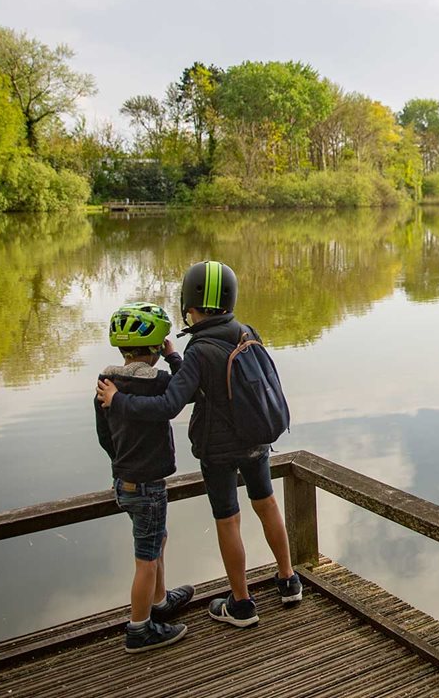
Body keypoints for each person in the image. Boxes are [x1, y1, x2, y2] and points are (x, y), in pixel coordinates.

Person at [97, 261, 301, 628]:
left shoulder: (199, 350)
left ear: (189, 304)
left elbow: (170, 404)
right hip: (257, 437)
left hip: (219, 450)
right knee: (267, 503)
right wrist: (176, 357)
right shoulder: (245, 331)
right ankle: (288, 581)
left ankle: (241, 604)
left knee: (229, 520)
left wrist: (119, 401)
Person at [95, 302, 194, 653]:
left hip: (124, 483)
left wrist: (123, 464)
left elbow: (105, 436)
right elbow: (187, 390)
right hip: (149, 486)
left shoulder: (106, 382)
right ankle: (139, 629)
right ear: (156, 347)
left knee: (156, 541)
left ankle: (160, 602)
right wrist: (174, 357)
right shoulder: (158, 383)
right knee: (146, 559)